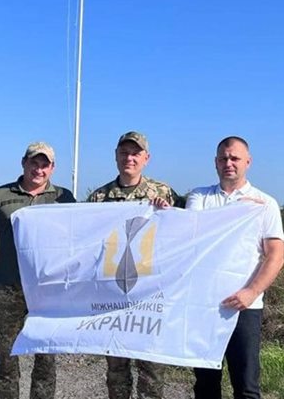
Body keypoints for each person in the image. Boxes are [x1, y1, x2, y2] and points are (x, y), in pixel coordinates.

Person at [0, 142, 76, 399]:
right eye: (34, 163)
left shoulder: (64, 197)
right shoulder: (0, 196)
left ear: (52, 168)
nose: (39, 169)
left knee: (46, 357)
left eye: (45, 165)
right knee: (7, 354)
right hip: (9, 287)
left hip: (48, 290)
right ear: (24, 163)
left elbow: (79, 238)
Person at [186, 136, 284, 399]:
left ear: (248, 162)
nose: (228, 163)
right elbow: (194, 233)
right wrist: (239, 211)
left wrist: (251, 292)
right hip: (205, 303)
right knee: (206, 383)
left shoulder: (265, 203)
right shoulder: (199, 197)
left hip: (245, 306)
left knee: (246, 384)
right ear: (215, 162)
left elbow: (275, 256)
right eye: (223, 158)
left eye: (235, 158)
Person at [87, 131, 182, 399]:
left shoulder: (163, 193)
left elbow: (186, 231)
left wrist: (169, 213)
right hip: (113, 293)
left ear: (146, 158)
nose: (129, 158)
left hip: (150, 294)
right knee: (116, 369)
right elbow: (88, 241)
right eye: (124, 153)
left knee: (151, 369)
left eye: (135, 153)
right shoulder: (99, 197)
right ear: (116, 156)